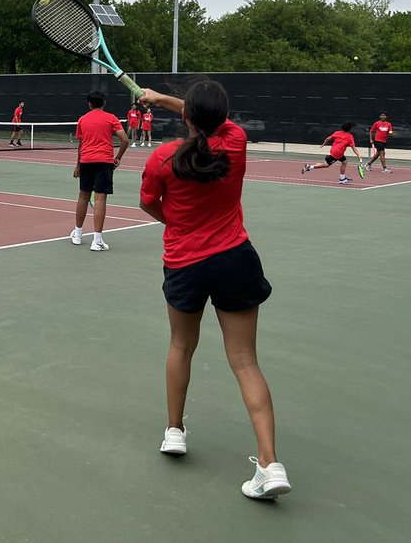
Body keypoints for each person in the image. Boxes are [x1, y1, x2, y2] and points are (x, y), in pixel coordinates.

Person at [138, 80, 291, 500]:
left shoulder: (162, 158)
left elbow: (149, 204)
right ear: (223, 118)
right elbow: (204, 116)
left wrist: (180, 224)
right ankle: (269, 463)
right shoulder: (236, 142)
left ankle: (174, 431)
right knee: (245, 362)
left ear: (186, 117)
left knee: (181, 346)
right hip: (235, 259)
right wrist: (164, 99)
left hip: (185, 263)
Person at [69, 90, 129, 252]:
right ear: (104, 103)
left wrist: (78, 165)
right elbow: (125, 139)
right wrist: (118, 158)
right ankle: (97, 241)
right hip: (104, 162)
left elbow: (81, 145)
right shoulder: (111, 118)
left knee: (83, 196)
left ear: (89, 104)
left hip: (86, 161)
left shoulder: (82, 119)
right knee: (100, 199)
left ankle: (78, 234)